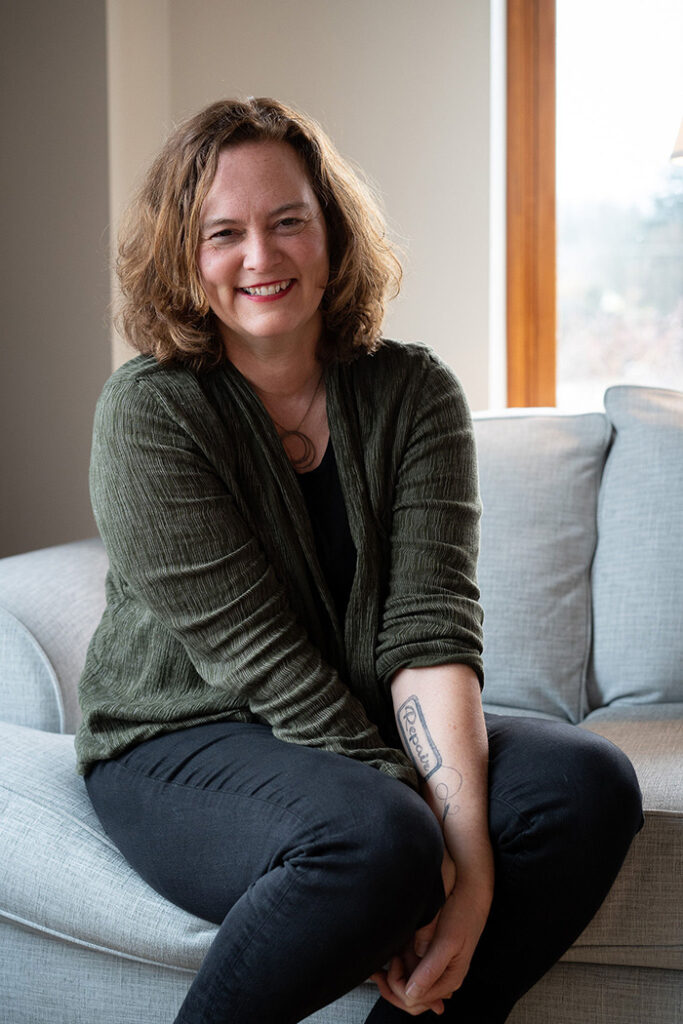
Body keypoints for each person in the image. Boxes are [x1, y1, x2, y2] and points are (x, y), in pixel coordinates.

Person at [75, 97, 643, 1024]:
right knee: (380, 840)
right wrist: (433, 844)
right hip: (176, 740)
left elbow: (429, 631)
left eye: (287, 221)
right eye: (224, 233)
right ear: (186, 256)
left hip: (347, 730)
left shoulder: (412, 391)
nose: (260, 257)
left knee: (584, 786)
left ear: (331, 231)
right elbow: (259, 660)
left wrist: (471, 876)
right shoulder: (149, 413)